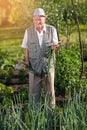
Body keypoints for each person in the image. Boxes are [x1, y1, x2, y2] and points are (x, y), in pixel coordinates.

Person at [22, 8, 59, 107]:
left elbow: (55, 46)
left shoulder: (52, 30)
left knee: (50, 93)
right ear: (33, 19)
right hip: (33, 66)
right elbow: (26, 47)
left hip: (48, 65)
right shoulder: (28, 31)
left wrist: (54, 47)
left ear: (44, 19)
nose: (38, 21)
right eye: (36, 19)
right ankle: (35, 115)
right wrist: (27, 60)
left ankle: (50, 115)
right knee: (33, 93)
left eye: (40, 19)